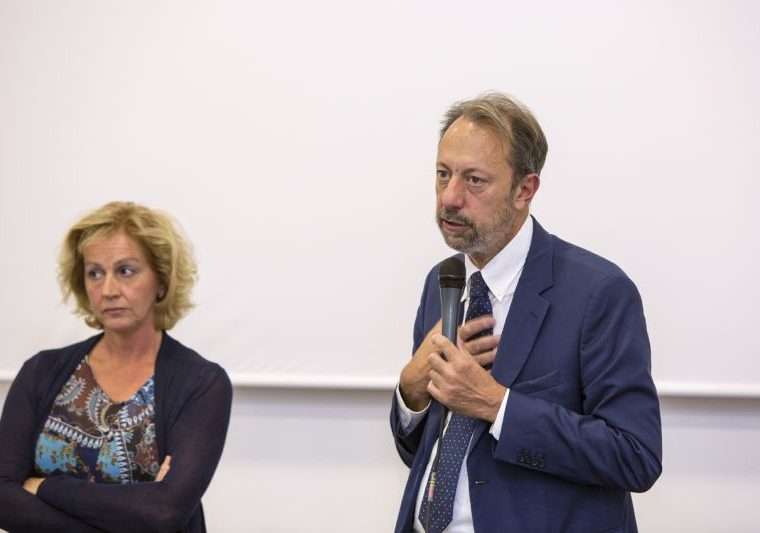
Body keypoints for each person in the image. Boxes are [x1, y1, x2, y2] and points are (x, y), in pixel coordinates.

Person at [391, 93, 662, 532]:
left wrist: (495, 404)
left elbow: (634, 455)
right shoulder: (443, 281)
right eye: (443, 174)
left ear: (525, 189)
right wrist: (411, 391)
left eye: (474, 180)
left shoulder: (598, 293)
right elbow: (422, 453)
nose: (450, 198)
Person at [0, 201, 232, 533]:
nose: (108, 290)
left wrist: (45, 486)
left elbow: (164, 513)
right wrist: (133, 511)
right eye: (95, 273)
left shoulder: (201, 383)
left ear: (161, 280)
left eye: (126, 271)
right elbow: (3, 499)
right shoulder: (41, 372)